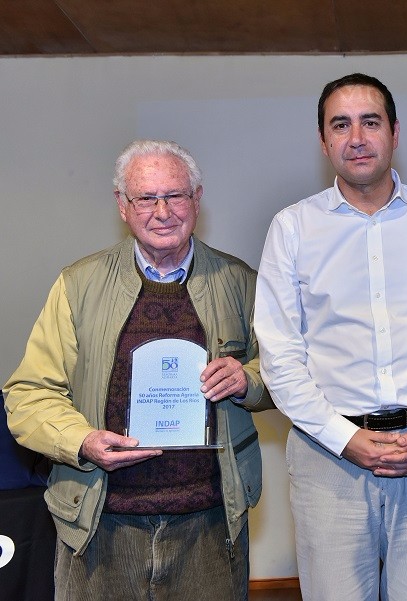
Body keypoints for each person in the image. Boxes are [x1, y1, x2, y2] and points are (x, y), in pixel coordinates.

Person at [3, 139, 272, 600]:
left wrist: (247, 379)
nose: (162, 210)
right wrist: (81, 441)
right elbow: (28, 392)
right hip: (98, 522)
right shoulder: (78, 285)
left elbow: (281, 372)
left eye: (175, 195)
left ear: (197, 198)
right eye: (146, 197)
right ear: (123, 206)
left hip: (209, 522)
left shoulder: (239, 281)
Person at [254, 73, 407, 601]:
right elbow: (280, 354)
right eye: (340, 125)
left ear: (394, 132)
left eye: (370, 122)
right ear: (323, 141)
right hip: (327, 454)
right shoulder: (292, 227)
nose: (356, 137)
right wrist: (345, 439)